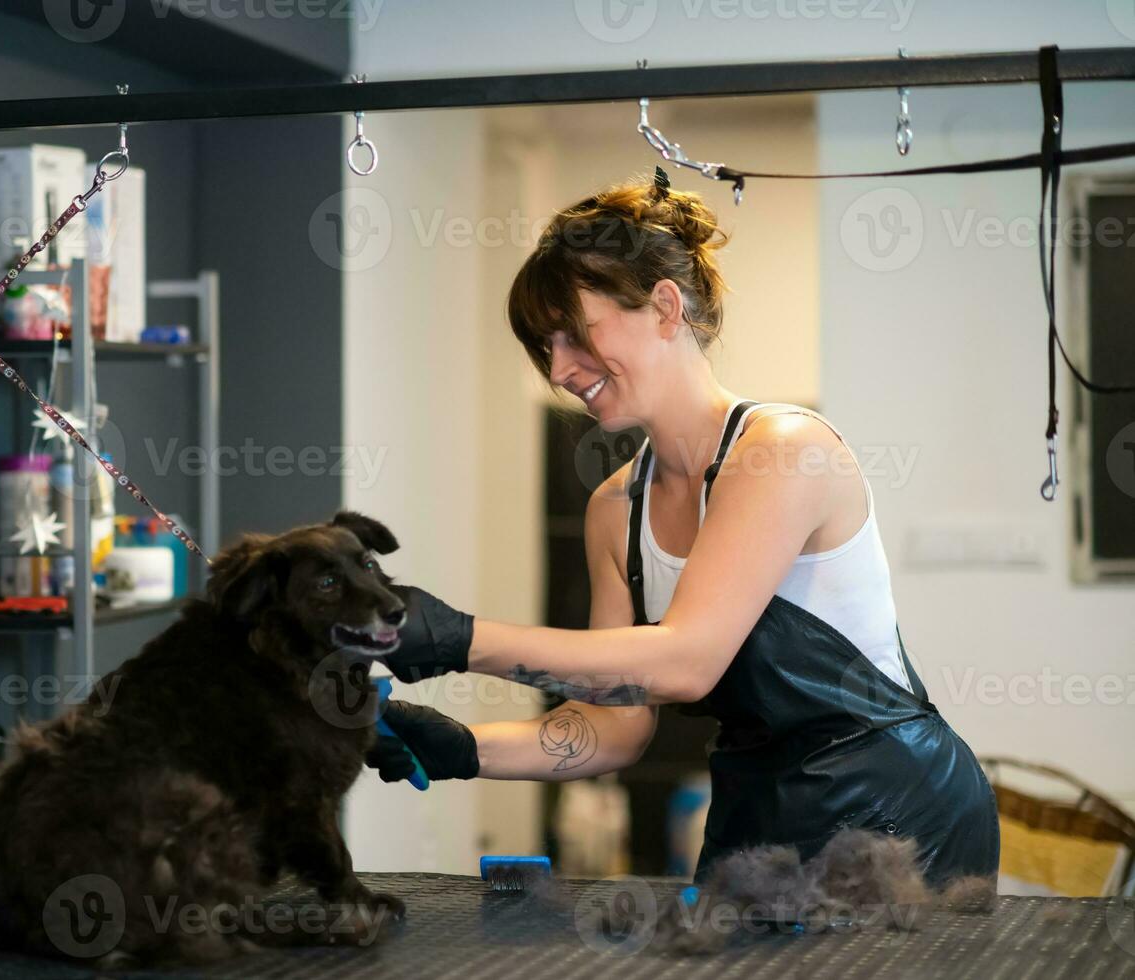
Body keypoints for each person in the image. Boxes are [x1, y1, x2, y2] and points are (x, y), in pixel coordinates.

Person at [366, 168, 999, 883]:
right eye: (543, 349)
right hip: (756, 812)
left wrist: (459, 640)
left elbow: (684, 661)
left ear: (665, 308)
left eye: (574, 336)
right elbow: (614, 724)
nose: (561, 370)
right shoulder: (613, 509)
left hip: (897, 819)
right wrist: (462, 749)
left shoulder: (781, 451)